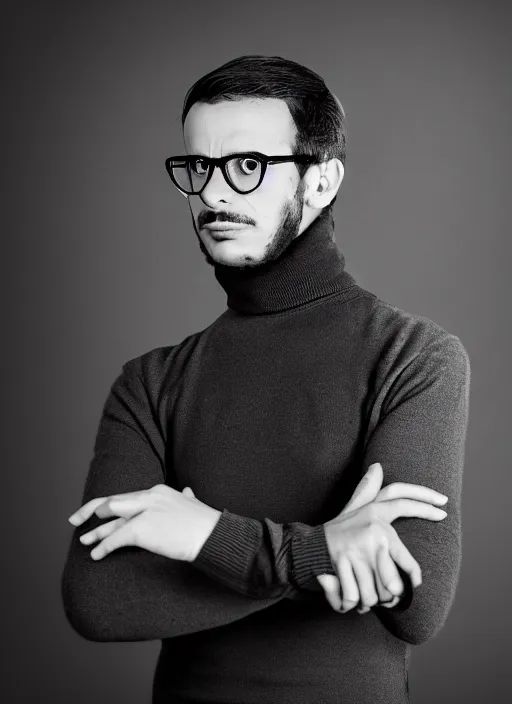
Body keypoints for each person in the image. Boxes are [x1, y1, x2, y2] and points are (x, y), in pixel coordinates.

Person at [61, 55, 471, 704]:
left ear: (322, 182)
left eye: (248, 166)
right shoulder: (151, 383)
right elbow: (100, 599)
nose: (214, 194)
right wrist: (320, 552)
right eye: (199, 167)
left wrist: (202, 535)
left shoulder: (414, 357)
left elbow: (416, 604)